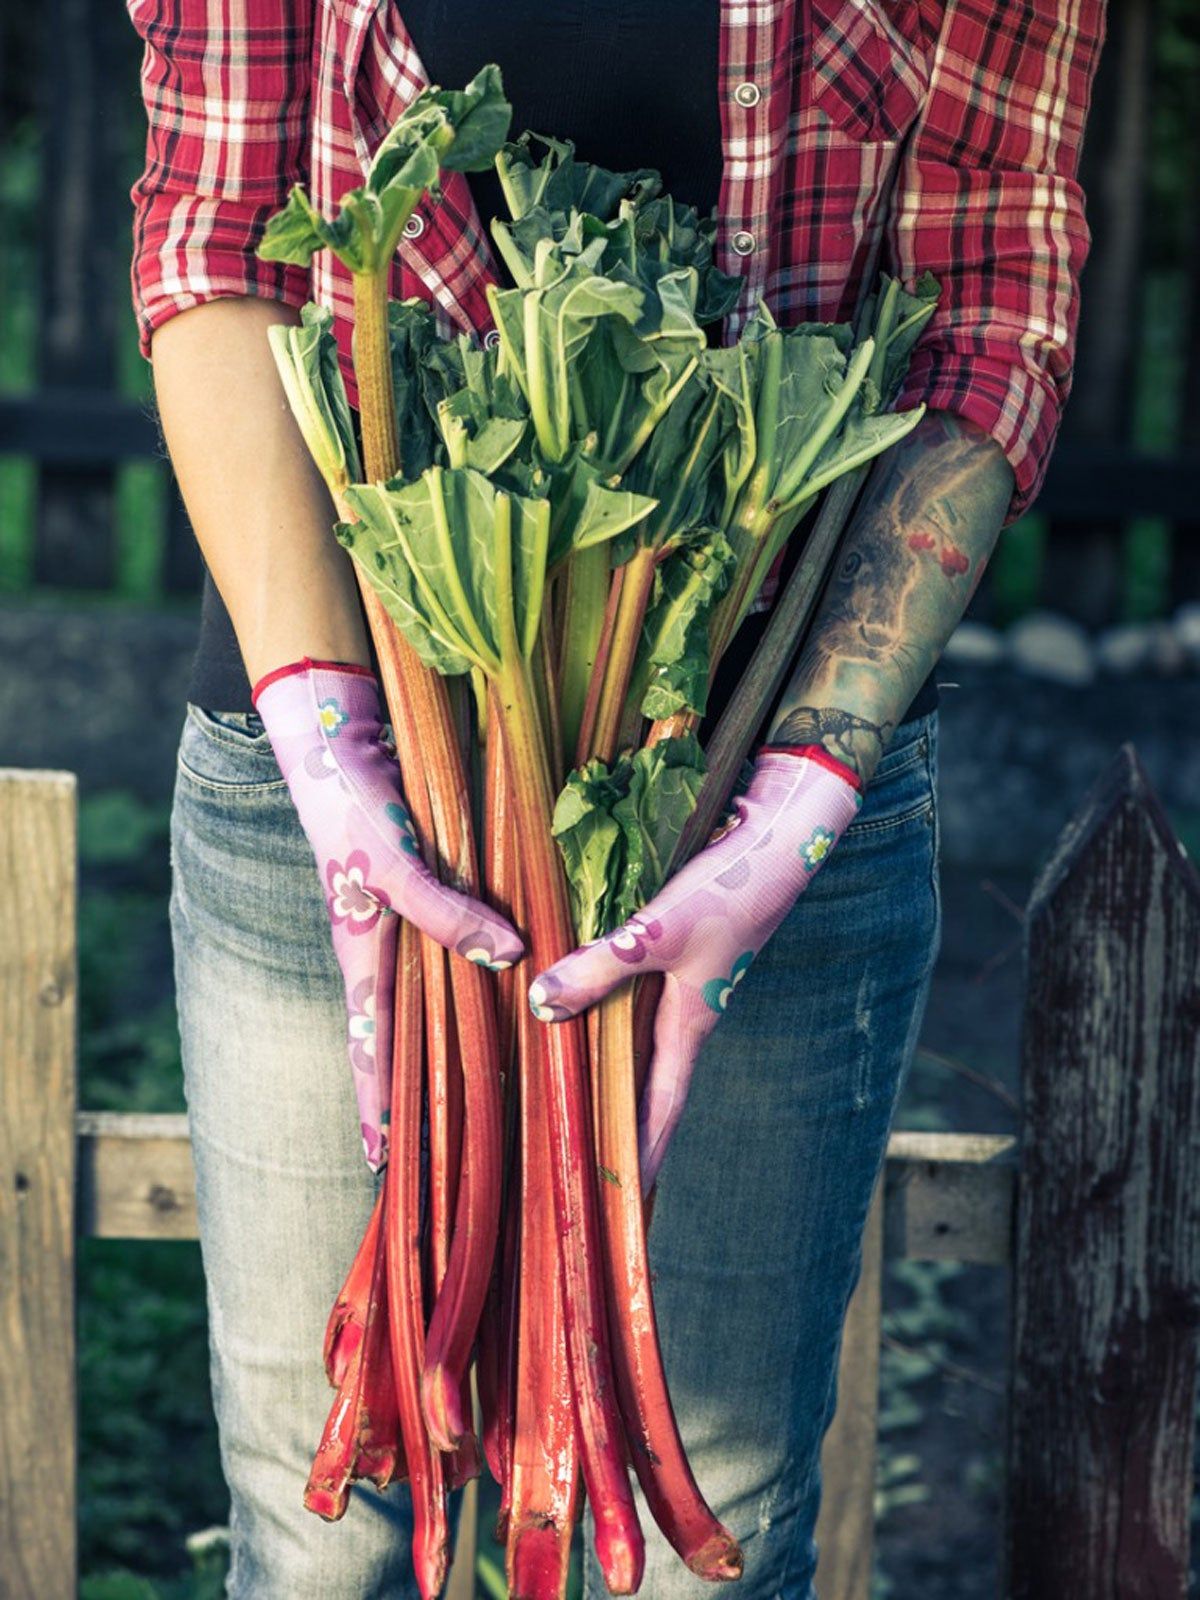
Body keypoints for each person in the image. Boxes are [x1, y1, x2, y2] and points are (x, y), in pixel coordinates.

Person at [125, 1, 1105, 1594]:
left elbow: (992, 291)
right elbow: (215, 221)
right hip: (327, 711)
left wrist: (796, 800)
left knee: (692, 1539)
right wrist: (325, 744)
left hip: (783, 767)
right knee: (328, 1557)